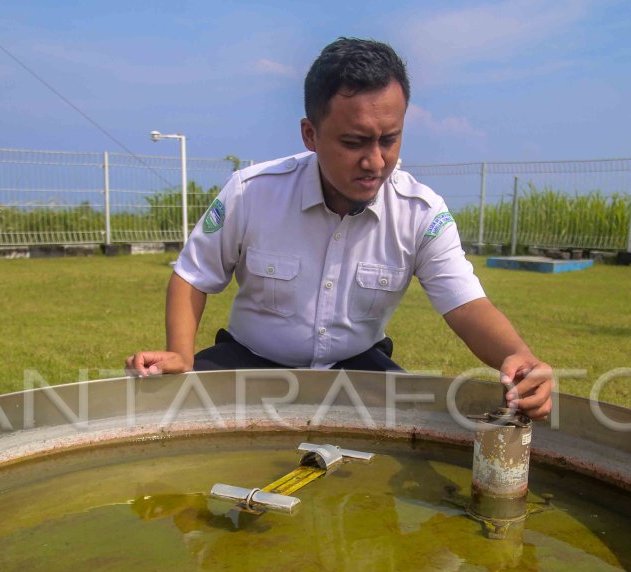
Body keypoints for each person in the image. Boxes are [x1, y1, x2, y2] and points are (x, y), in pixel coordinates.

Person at [126, 37, 552, 420]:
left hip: (357, 367)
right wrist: (180, 353)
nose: (375, 161)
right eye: (354, 143)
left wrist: (518, 356)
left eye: (389, 139)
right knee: (167, 417)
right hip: (250, 361)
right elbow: (193, 276)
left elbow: (466, 305)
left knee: (416, 434)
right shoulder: (252, 193)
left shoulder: (421, 213)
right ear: (310, 134)